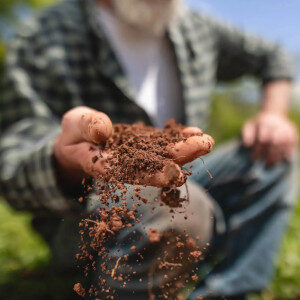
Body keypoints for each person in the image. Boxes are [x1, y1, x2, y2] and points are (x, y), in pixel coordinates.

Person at [0, 0, 298, 299]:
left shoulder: (194, 26)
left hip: (183, 175)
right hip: (87, 209)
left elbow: (273, 55)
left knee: (272, 157)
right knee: (180, 204)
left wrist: (273, 114)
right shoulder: (47, 33)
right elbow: (12, 160)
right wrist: (64, 160)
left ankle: (225, 290)